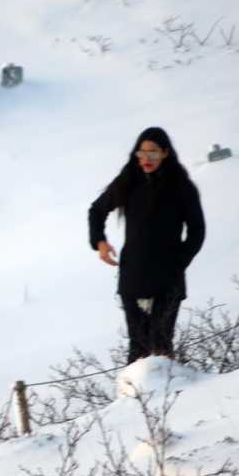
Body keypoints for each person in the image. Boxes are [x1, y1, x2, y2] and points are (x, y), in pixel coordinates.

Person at [88, 127, 205, 364]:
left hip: (167, 280)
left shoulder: (182, 188)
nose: (146, 158)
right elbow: (97, 210)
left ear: (165, 153)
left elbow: (197, 231)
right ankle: (135, 400)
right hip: (133, 276)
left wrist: (177, 263)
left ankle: (171, 397)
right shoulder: (128, 181)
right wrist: (99, 242)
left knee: (161, 347)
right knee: (138, 349)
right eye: (141, 153)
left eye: (152, 152)